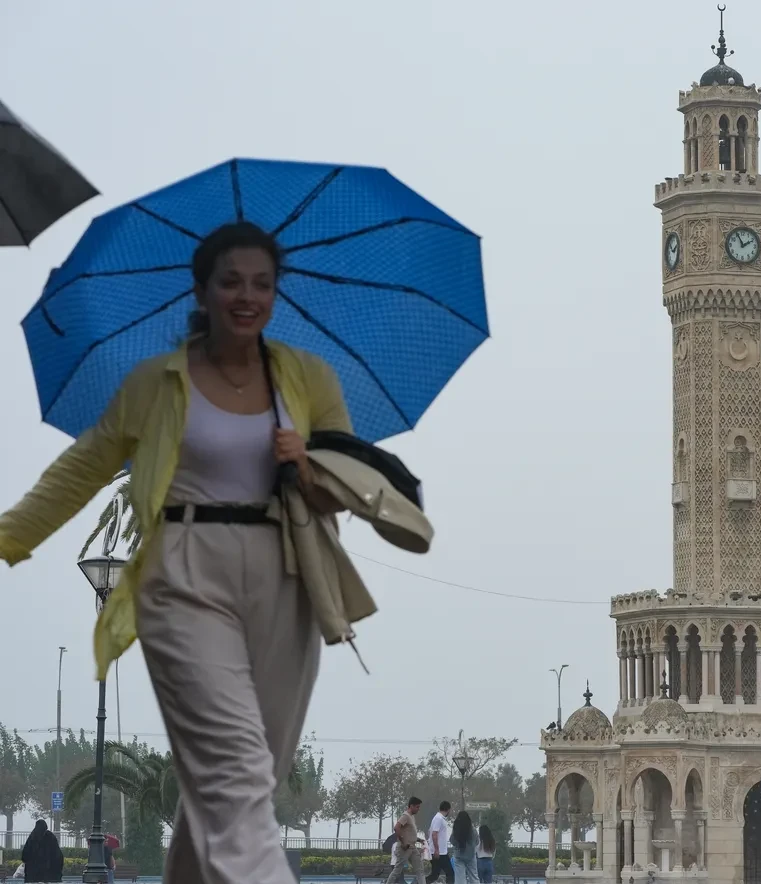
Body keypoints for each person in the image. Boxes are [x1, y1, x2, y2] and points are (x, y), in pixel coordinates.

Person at [0, 221, 353, 884]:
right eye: (231, 282)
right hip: (184, 570)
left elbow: (346, 490)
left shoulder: (308, 380)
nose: (246, 296)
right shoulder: (155, 384)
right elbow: (81, 469)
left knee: (244, 779)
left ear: (276, 294)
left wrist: (305, 462)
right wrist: (8, 536)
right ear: (201, 290)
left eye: (261, 283)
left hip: (285, 576)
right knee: (235, 770)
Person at [385, 796, 426, 884]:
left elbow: (409, 833)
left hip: (412, 847)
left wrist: (419, 840)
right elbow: (396, 828)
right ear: (411, 806)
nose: (418, 809)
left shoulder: (411, 817)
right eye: (417, 807)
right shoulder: (405, 816)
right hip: (405, 848)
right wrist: (403, 842)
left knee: (420, 870)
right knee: (397, 871)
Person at [425, 800, 455, 884]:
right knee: (450, 873)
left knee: (434, 875)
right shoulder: (439, 818)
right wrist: (436, 850)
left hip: (440, 851)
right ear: (448, 809)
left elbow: (429, 832)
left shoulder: (438, 818)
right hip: (440, 853)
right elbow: (434, 834)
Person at [449, 811, 480, 884]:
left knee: (460, 878)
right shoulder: (473, 830)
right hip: (471, 856)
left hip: (459, 856)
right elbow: (477, 842)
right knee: (474, 876)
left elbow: (452, 841)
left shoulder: (456, 829)